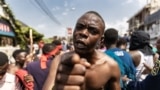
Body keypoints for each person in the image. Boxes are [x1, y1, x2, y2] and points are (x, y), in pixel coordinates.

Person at [43, 11, 121, 90]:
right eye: (79, 27)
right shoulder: (59, 61)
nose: (83, 33)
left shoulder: (111, 66)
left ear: (101, 40)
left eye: (93, 31)